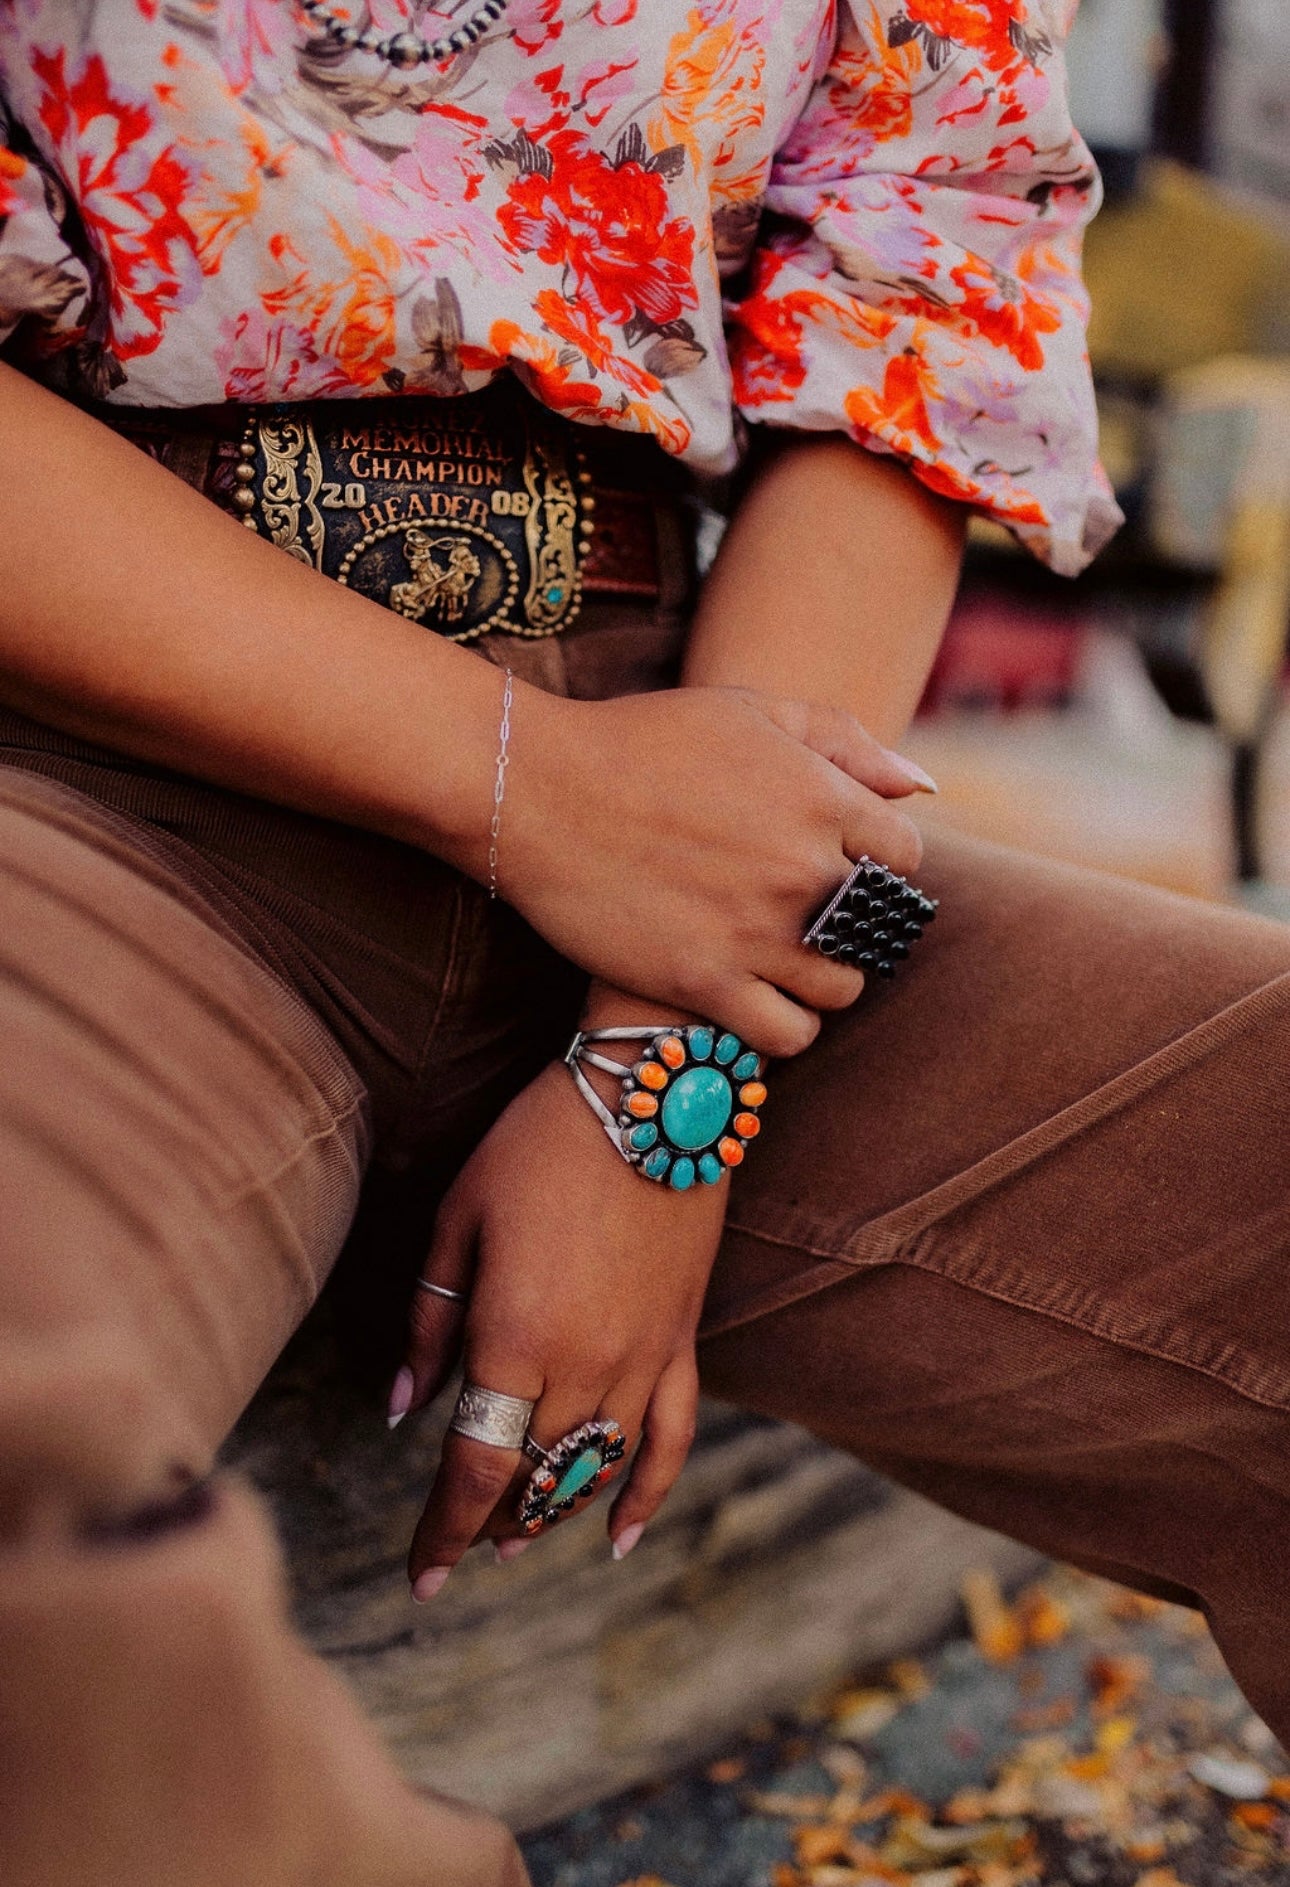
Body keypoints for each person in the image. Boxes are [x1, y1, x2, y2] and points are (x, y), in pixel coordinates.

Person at [0, 1, 1287, 1882]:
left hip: (697, 753)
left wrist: (667, 1067)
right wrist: (526, 785)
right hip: (90, 803)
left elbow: (898, 341)